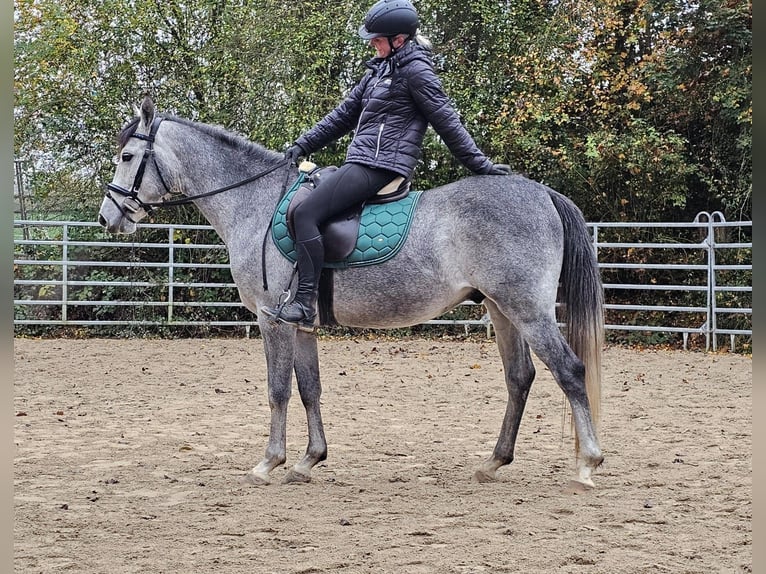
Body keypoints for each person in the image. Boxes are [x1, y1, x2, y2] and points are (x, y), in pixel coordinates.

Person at [261, 0, 511, 331]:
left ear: (399, 39)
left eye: (377, 38)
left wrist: (481, 166)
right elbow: (343, 115)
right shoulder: (379, 70)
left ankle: (304, 305)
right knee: (310, 202)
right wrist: (303, 144)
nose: (372, 43)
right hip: (363, 160)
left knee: (306, 213)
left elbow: (447, 121)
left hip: (380, 166)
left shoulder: (417, 72)